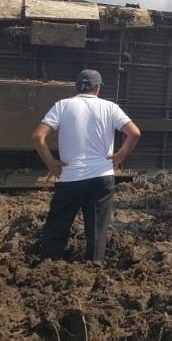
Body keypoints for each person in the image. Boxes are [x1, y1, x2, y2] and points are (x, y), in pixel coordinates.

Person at [31, 69, 141, 262]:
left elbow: (38, 136)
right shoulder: (110, 107)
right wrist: (120, 155)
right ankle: (94, 265)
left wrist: (51, 163)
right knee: (97, 228)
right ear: (97, 88)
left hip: (70, 177)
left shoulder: (62, 106)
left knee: (58, 223)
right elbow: (134, 133)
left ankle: (49, 263)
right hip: (102, 177)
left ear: (77, 86)